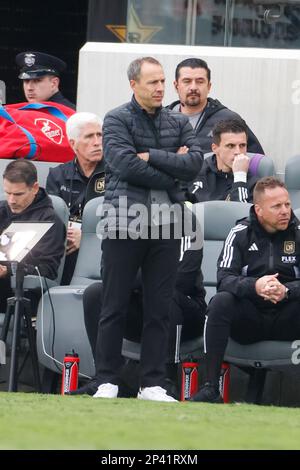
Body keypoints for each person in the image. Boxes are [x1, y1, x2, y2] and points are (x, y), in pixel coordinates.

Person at [92, 56, 203, 401]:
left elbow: (195, 164)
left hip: (167, 224)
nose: (159, 88)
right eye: (152, 82)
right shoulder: (115, 119)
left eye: (161, 82)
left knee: (160, 307)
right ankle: (106, 379)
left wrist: (151, 155)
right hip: (124, 222)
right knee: (113, 305)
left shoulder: (179, 120)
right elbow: (125, 165)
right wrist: (173, 168)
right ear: (133, 84)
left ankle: (152, 383)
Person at [191, 176, 300, 403]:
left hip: (288, 316)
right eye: (277, 206)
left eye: (287, 204)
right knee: (220, 302)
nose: (285, 211)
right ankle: (211, 387)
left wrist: (287, 290)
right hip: (250, 320)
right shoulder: (240, 231)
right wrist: (256, 286)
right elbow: (224, 279)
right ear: (259, 210)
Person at [68, 231, 207, 398]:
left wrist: (131, 277)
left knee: (166, 296)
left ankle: (163, 381)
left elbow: (181, 279)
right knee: (95, 294)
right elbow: (110, 273)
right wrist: (142, 277)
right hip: (142, 306)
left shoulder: (186, 226)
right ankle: (105, 379)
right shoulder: (127, 224)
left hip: (187, 311)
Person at [46, 112, 105, 285]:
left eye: (100, 135)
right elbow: (52, 219)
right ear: (73, 144)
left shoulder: (118, 173)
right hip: (67, 247)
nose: (97, 142)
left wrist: (87, 237)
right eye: (89, 136)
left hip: (105, 248)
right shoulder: (58, 175)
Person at [0, 159, 65, 312]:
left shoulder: (50, 221)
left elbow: (47, 271)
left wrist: (8, 271)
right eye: (7, 193)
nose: (11, 200)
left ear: (34, 188)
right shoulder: (1, 210)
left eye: (18, 194)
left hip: (23, 291)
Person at [169, 57, 264, 155]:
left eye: (200, 81)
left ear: (209, 86)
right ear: (176, 86)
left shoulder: (228, 119)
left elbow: (256, 161)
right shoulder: (159, 118)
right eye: (187, 81)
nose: (193, 87)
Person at [188, 119, 259, 203]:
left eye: (242, 145)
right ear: (215, 148)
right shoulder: (196, 172)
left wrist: (240, 178)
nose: (238, 152)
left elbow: (241, 214)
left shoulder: (254, 184)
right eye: (230, 146)